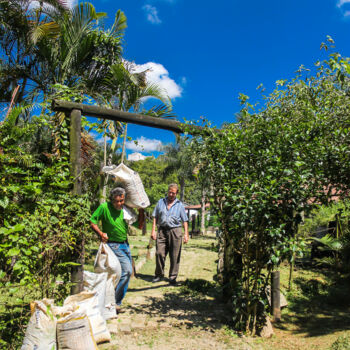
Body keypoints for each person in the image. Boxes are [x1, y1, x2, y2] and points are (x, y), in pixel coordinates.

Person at [90, 187, 144, 313]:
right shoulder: (104, 208)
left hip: (125, 245)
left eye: (122, 201)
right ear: (111, 200)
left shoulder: (126, 211)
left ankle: (111, 301)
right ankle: (114, 302)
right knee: (127, 271)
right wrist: (101, 233)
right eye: (117, 201)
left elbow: (140, 225)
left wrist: (141, 210)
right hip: (113, 245)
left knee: (122, 274)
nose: (119, 203)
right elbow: (92, 221)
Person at [151, 183, 189, 285]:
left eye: (173, 193)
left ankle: (172, 277)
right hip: (162, 230)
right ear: (168, 191)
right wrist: (153, 230)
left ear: (176, 193)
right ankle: (159, 275)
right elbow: (155, 216)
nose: (171, 194)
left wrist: (186, 234)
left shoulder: (180, 205)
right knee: (159, 253)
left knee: (175, 255)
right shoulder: (160, 202)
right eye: (170, 192)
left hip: (175, 231)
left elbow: (185, 220)